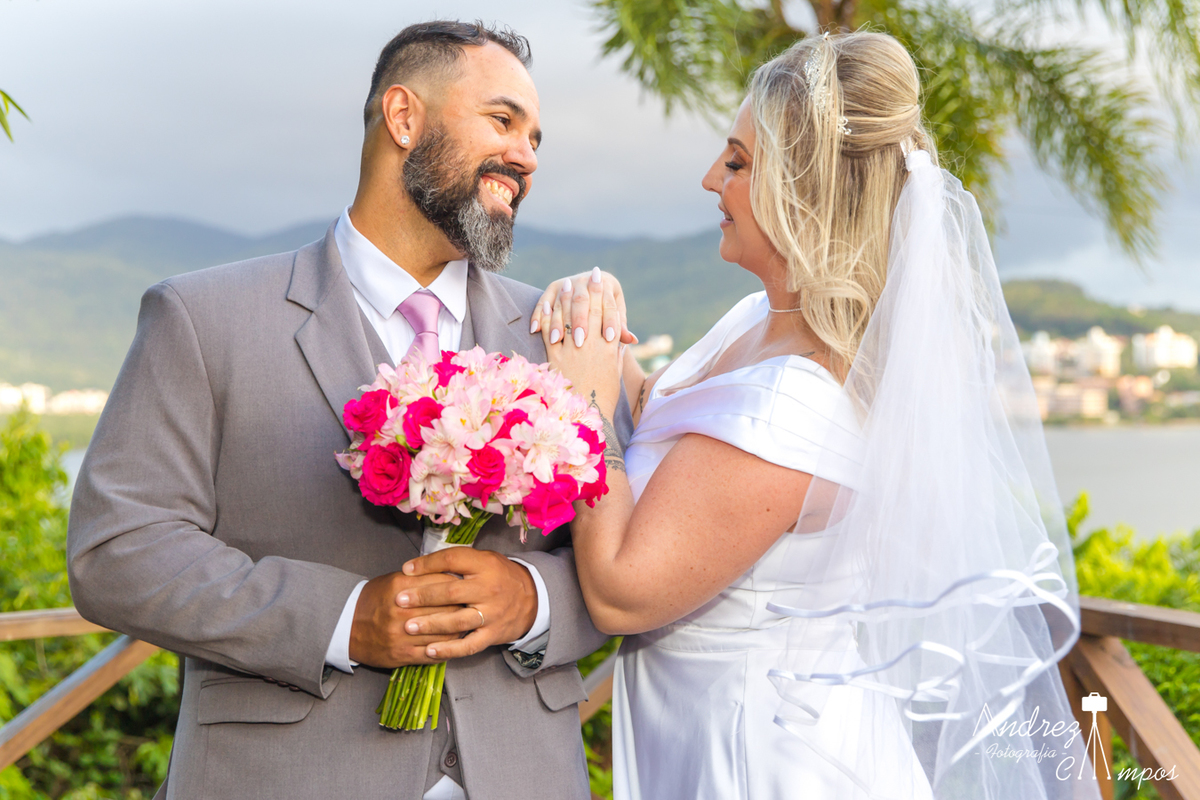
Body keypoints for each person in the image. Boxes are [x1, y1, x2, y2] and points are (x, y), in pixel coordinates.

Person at [511, 31, 1099, 800]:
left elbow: (624, 591)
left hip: (760, 754)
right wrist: (597, 326)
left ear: (805, 190)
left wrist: (586, 403)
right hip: (697, 728)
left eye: (737, 163)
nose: (709, 179)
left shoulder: (800, 398)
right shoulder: (758, 320)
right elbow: (676, 427)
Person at [67, 20, 631, 800]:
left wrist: (531, 602)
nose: (527, 156)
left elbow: (629, 562)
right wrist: (343, 618)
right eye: (503, 121)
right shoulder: (202, 319)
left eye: (535, 138)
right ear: (403, 117)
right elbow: (119, 552)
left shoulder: (559, 338)